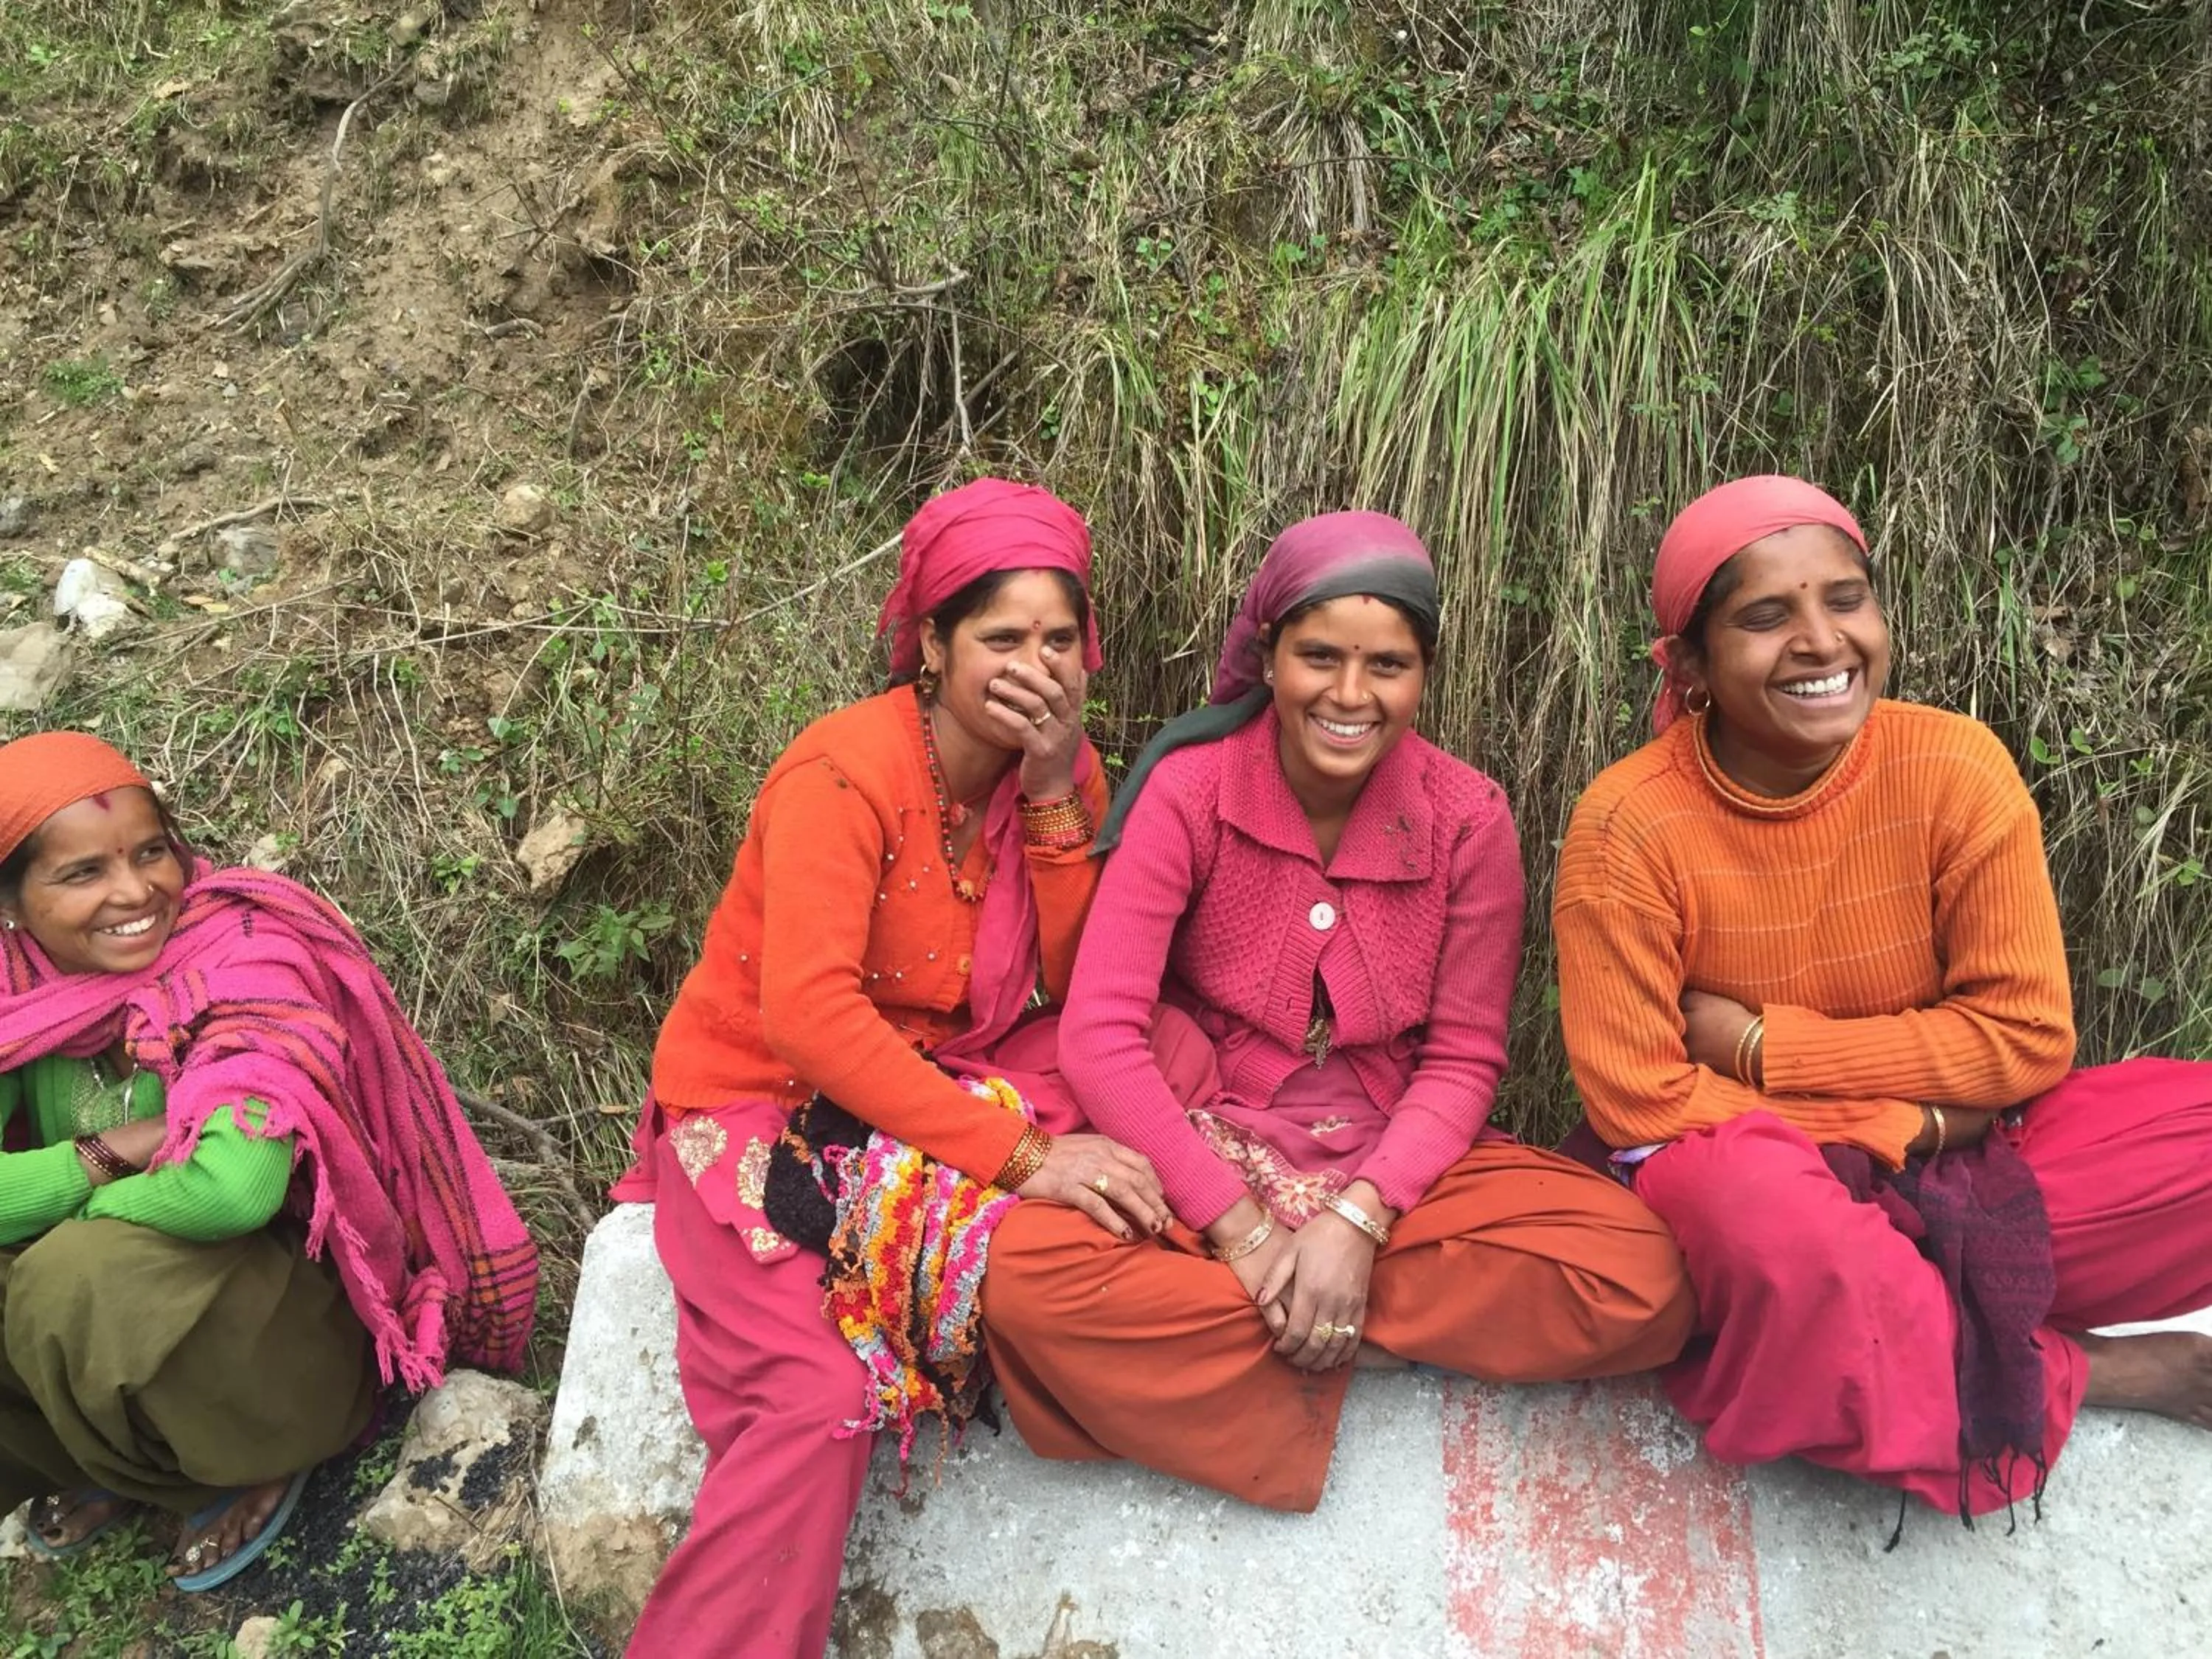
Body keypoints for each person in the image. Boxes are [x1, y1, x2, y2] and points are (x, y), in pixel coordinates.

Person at [981, 511, 1697, 1512]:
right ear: (1269, 655)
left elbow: (1461, 1059)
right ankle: (1317, 1321)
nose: (1350, 695)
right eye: (1319, 655)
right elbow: (1101, 1034)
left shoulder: (1467, 818)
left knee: (1641, 1278)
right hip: (1204, 1137)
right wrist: (1247, 1234)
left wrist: (1354, 1227)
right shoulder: (1190, 791)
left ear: (1425, 673)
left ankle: (1295, 1322)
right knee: (1022, 1281)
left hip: (1390, 1160)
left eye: (1388, 665)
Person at [1553, 473, 2212, 1523]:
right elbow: (1641, 1100)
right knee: (1771, 1224)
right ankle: (2085, 1366)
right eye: (1766, 616)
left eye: (1845, 598)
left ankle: (1890, 1307)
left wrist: (1769, 1045)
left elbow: (2029, 1036)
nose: (1822, 640)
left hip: (1959, 1150)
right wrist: (1897, 1126)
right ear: (1691, 666)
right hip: (1769, 1166)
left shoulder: (1956, 767)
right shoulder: (1627, 826)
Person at [618, 479, 1169, 1659]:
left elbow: (1084, 985)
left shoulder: (1055, 774)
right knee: (817, 1399)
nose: (1039, 665)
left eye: (1062, 639)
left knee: (1170, 1049)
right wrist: (1026, 1158)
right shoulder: (845, 772)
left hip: (929, 1069)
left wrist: (1056, 783)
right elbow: (810, 1018)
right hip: (764, 1101)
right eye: (1003, 638)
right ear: (931, 644)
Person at [0, 731, 536, 1589]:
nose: (136, 892)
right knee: (61, 1274)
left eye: (150, 853)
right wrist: (106, 1156)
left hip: (282, 1316)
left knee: (66, 1272)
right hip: (135, 1305)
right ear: (15, 905)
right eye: (82, 873)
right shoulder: (17, 994)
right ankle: (105, 1456)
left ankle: (252, 1453)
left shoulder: (245, 958)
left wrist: (63, 1207)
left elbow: (234, 1188)